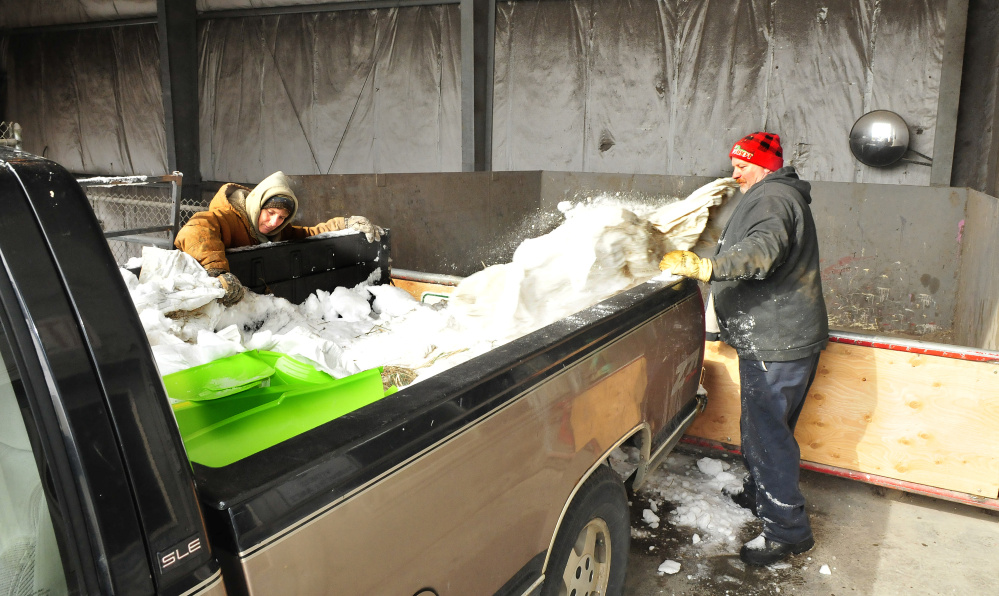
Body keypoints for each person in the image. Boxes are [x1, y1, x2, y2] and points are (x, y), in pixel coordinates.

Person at [658, 132, 828, 567]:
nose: (735, 173)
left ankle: (788, 533)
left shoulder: (772, 197)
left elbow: (763, 251)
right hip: (783, 337)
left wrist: (708, 267)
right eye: (735, 163)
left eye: (743, 164)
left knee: (767, 438)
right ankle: (761, 494)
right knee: (770, 430)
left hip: (776, 341)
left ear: (765, 165)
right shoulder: (779, 194)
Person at [174, 171, 383, 306]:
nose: (274, 222)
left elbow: (308, 234)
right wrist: (217, 272)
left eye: (282, 217)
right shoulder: (228, 218)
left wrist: (344, 224)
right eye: (270, 212)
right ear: (259, 204)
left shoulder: (276, 231)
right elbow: (195, 230)